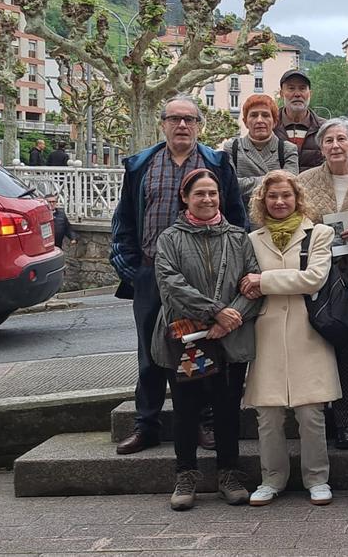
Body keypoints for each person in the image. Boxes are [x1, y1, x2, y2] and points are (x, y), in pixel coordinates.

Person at [110, 96, 246, 456]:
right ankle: (147, 424)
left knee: (199, 346)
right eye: (175, 119)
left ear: (199, 125)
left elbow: (236, 217)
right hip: (152, 275)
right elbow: (124, 219)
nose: (182, 126)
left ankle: (201, 423)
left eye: (189, 119)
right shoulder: (142, 165)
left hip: (203, 278)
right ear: (163, 123)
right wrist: (132, 269)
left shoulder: (217, 163)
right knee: (150, 352)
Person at [152, 169, 260, 510]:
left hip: (229, 338)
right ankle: (186, 474)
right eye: (199, 193)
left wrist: (232, 318)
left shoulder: (239, 238)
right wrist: (216, 311)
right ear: (185, 197)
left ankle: (229, 473)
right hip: (187, 336)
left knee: (228, 408)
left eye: (212, 193)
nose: (207, 199)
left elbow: (254, 285)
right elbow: (170, 284)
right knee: (186, 409)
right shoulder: (170, 238)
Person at [241, 171, 340, 507]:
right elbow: (244, 284)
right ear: (262, 202)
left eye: (286, 195)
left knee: (311, 412)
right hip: (266, 334)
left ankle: (317, 478)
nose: (280, 202)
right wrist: (263, 281)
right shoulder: (253, 239)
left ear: (298, 198)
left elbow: (314, 279)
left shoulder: (321, 233)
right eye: (272, 197)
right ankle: (272, 479)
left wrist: (263, 279)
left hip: (308, 332)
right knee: (267, 415)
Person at [297, 117, 348, 450]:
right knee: (316, 348)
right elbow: (291, 221)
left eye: (342, 139)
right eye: (329, 140)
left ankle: (346, 420)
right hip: (315, 276)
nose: (335, 145)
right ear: (321, 146)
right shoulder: (303, 181)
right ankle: (319, 419)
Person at [224, 94, 299, 204]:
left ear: (274, 122)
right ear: (245, 122)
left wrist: (245, 183)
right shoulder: (231, 148)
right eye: (254, 115)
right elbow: (230, 184)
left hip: (278, 215)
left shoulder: (288, 149)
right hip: (242, 217)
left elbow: (290, 185)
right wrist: (275, 181)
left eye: (265, 115)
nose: (259, 120)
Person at [274, 68, 325, 170]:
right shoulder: (270, 127)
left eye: (302, 88)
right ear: (281, 93)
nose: (297, 94)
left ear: (310, 93)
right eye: (291, 88)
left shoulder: (325, 129)